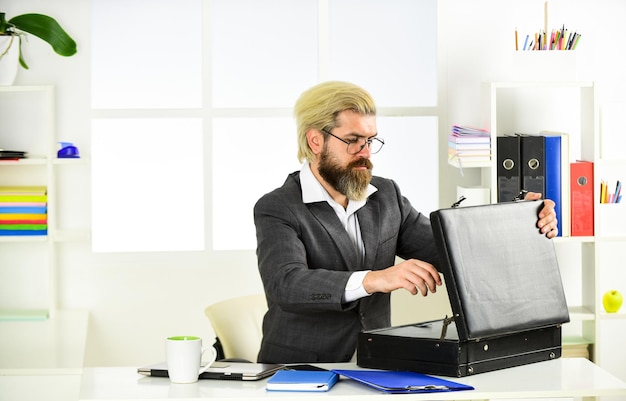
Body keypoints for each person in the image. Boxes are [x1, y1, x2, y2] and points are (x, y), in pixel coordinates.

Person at [253, 81, 558, 364]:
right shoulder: (278, 207)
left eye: (371, 140)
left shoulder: (385, 195)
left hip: (373, 363)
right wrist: (375, 279)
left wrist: (521, 223)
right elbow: (286, 284)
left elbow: (449, 250)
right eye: (353, 141)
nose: (366, 153)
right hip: (299, 369)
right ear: (315, 140)